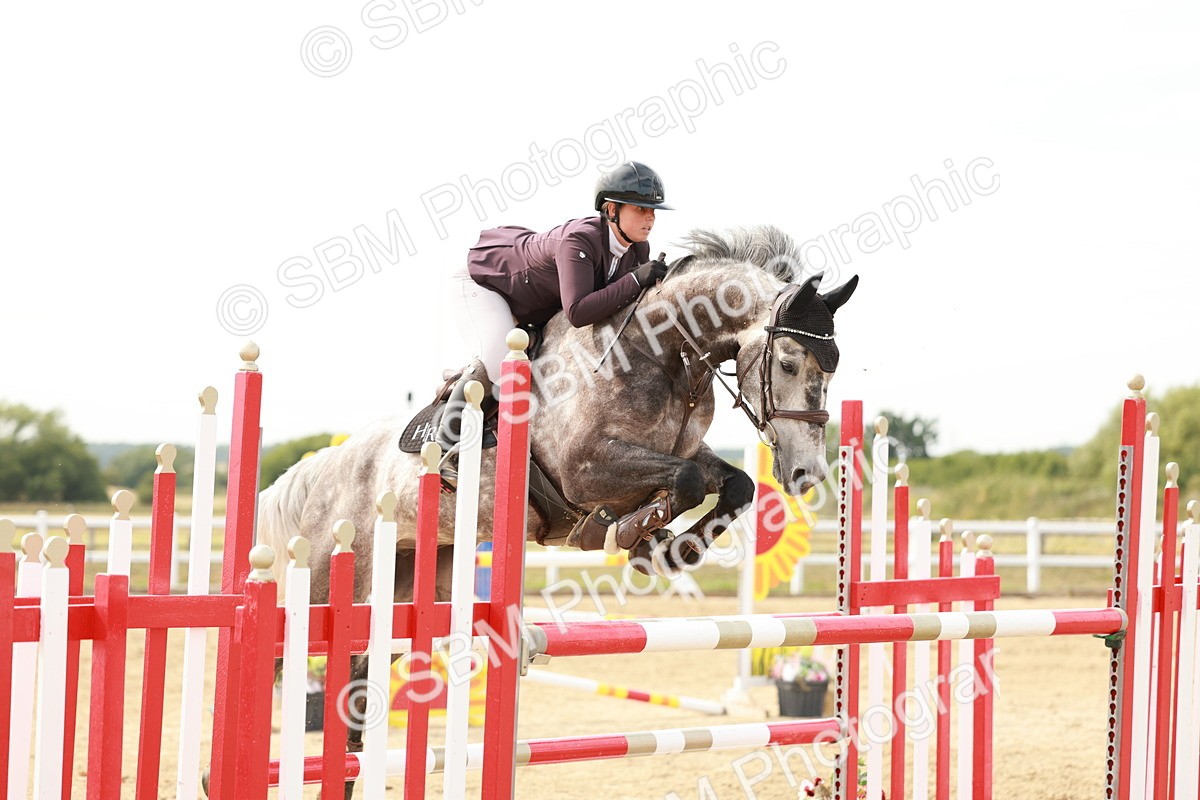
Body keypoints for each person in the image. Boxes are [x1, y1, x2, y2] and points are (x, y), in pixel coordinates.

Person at [437, 161, 673, 450]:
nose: (650, 218)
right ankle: (446, 442)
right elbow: (578, 312)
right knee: (500, 357)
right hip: (484, 282)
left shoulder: (638, 248)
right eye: (640, 209)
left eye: (653, 211)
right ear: (612, 210)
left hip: (532, 301)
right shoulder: (579, 240)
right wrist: (636, 280)